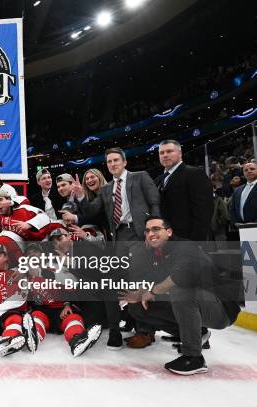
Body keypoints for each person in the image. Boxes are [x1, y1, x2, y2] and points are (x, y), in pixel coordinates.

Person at [120, 216, 240, 375]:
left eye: (156, 229)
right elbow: (154, 279)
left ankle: (194, 357)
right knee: (137, 308)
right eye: (147, 230)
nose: (150, 233)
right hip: (197, 304)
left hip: (221, 308)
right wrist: (141, 294)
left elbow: (181, 276)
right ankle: (198, 333)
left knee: (181, 290)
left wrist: (152, 292)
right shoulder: (159, 254)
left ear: (169, 232)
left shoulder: (184, 247)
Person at [69, 148, 160, 350]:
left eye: (116, 160)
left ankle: (144, 332)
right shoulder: (106, 189)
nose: (112, 164)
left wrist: (153, 232)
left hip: (140, 235)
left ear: (124, 162)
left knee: (139, 280)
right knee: (112, 283)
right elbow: (92, 211)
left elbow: (155, 203)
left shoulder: (140, 177)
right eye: (109, 161)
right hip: (119, 239)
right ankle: (115, 331)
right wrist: (82, 195)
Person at [155, 140, 213, 241]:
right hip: (164, 239)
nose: (165, 155)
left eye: (169, 151)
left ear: (180, 153)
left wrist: (196, 241)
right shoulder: (157, 180)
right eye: (161, 153)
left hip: (188, 238)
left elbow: (204, 211)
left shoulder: (195, 174)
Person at [229, 160, 257, 225]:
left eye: (252, 169)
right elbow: (233, 209)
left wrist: (255, 223)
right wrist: (235, 222)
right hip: (242, 229)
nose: (249, 171)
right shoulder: (238, 190)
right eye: (246, 170)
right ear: (243, 173)